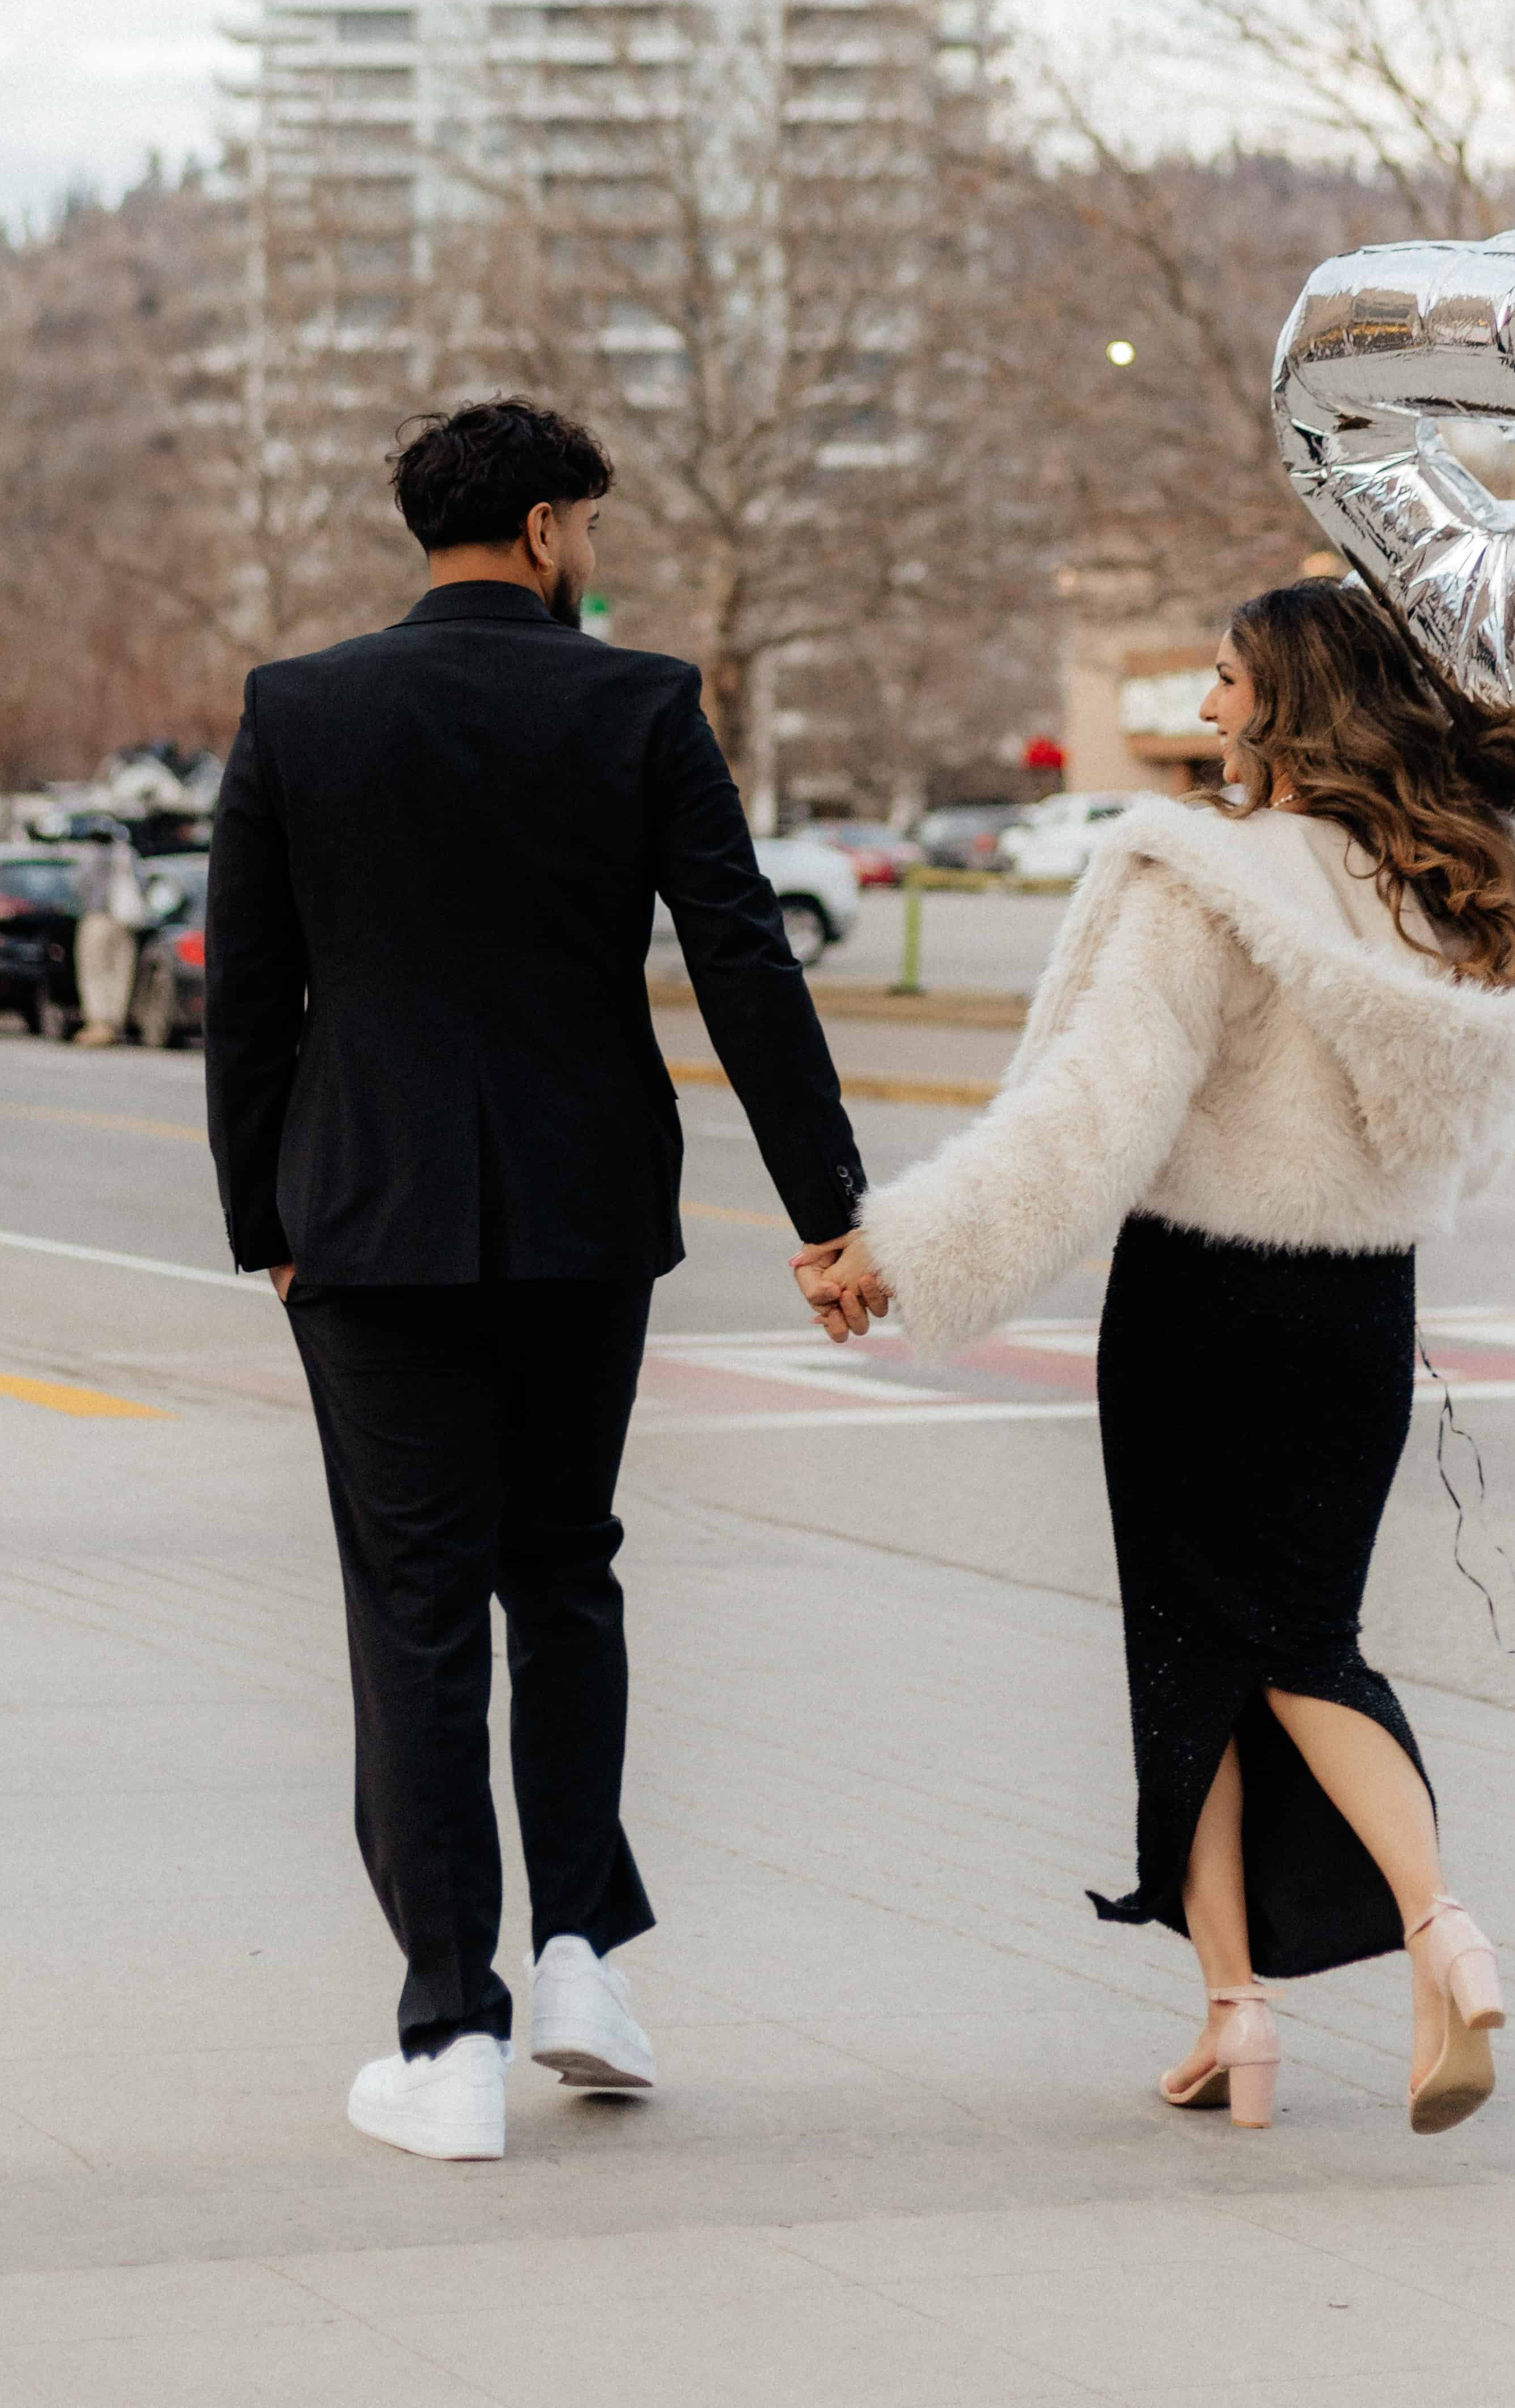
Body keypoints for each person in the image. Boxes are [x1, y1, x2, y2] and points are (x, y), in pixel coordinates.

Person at [796, 578, 1515, 2138]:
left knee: (1201, 1643)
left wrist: (908, 1248)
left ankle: (1336, 1973)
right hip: (1359, 1307)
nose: (1203, 707)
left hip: (1201, 1303)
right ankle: (1345, 1970)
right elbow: (1459, 1144)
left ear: (1285, 701)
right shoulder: (1435, 887)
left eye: (1224, 681)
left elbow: (1094, 1113)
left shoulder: (1197, 878)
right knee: (1307, 1631)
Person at [205, 396, 867, 2165]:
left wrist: (259, 1215)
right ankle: (577, 1958)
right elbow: (742, 962)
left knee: (418, 1606)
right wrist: (831, 1206)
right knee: (565, 1571)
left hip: (366, 1219)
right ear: (554, 528)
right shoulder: (640, 702)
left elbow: (247, 996)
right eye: (597, 524)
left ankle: (450, 2034)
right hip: (584, 1215)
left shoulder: (299, 709)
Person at [71, 826, 150, 1046]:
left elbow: (79, 886)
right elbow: (143, 886)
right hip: (125, 921)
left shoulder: (89, 856)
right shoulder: (128, 856)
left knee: (94, 971)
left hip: (97, 918)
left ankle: (99, 1023)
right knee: (121, 971)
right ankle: (115, 1023)